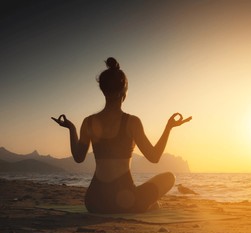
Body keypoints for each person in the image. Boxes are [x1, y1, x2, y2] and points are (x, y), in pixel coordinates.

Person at [52, 57, 191, 214]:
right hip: (124, 202)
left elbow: (78, 157)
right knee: (169, 177)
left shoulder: (89, 122)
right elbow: (154, 157)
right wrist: (168, 128)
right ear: (124, 89)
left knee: (147, 201)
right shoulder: (132, 122)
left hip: (94, 202)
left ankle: (145, 204)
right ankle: (145, 204)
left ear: (103, 90)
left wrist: (71, 128)